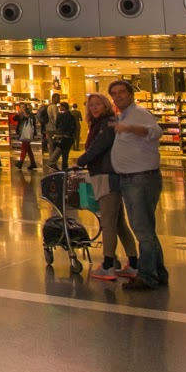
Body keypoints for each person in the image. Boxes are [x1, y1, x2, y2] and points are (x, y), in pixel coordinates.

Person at [108, 79, 167, 290]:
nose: (118, 96)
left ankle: (147, 276)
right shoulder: (124, 115)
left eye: (121, 92)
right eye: (114, 94)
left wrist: (132, 128)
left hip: (140, 178)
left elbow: (155, 132)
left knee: (142, 231)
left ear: (131, 94)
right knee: (146, 230)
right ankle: (158, 272)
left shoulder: (139, 114)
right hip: (131, 178)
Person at [74, 92, 138, 280]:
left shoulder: (107, 123)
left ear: (105, 106)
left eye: (97, 104)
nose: (93, 108)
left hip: (106, 175)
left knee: (108, 221)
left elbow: (99, 146)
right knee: (118, 222)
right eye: (90, 105)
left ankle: (108, 264)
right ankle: (134, 262)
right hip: (110, 174)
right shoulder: (103, 122)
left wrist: (81, 161)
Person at [47, 101, 78, 170]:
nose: (59, 108)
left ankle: (52, 163)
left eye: (60, 106)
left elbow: (57, 124)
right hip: (68, 136)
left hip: (60, 135)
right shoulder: (71, 116)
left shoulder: (60, 116)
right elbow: (74, 126)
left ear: (64, 107)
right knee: (65, 152)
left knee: (60, 149)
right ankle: (64, 167)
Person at [14, 102, 38, 170]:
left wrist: (24, 113)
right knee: (28, 148)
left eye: (23, 107)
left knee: (24, 147)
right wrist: (18, 114)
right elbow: (15, 119)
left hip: (27, 132)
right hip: (22, 132)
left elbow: (29, 119)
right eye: (21, 107)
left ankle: (20, 162)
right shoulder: (20, 113)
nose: (22, 108)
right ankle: (33, 163)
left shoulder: (29, 113)